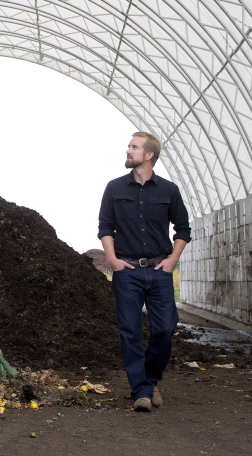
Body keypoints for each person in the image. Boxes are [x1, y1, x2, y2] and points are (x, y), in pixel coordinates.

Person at [98, 131, 190, 412]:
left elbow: (183, 229)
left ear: (149, 155)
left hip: (160, 271)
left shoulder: (169, 191)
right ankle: (141, 392)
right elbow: (105, 228)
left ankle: (148, 382)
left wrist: (173, 261)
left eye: (134, 147)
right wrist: (112, 261)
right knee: (130, 332)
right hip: (127, 271)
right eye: (129, 146)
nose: (128, 151)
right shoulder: (114, 188)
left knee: (165, 328)